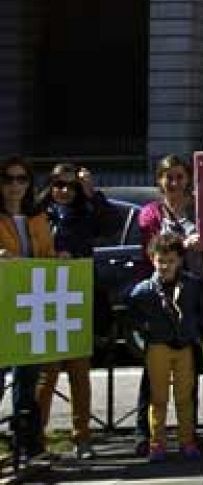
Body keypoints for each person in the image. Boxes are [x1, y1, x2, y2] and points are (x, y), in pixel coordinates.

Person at [37, 163, 111, 459]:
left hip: (79, 299)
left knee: (80, 373)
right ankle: (36, 437)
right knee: (47, 373)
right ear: (50, 186)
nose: (64, 191)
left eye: (71, 186)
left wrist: (93, 195)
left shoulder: (87, 212)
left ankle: (82, 437)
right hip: (46, 299)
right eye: (58, 185)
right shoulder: (40, 214)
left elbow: (110, 225)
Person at [128, 232, 203, 462]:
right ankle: (157, 444)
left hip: (184, 346)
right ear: (152, 259)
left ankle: (187, 441)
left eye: (171, 261)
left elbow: (202, 309)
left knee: (185, 397)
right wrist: (145, 333)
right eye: (161, 261)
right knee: (158, 398)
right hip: (158, 346)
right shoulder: (143, 290)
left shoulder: (191, 284)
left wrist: (196, 328)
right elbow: (131, 315)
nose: (165, 266)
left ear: (180, 261)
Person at [0, 157, 52, 466]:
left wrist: (58, 256)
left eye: (22, 179)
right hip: (2, 307)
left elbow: (45, 254)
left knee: (27, 381)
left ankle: (29, 448)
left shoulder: (38, 217)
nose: (15, 185)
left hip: (30, 308)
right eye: (8, 179)